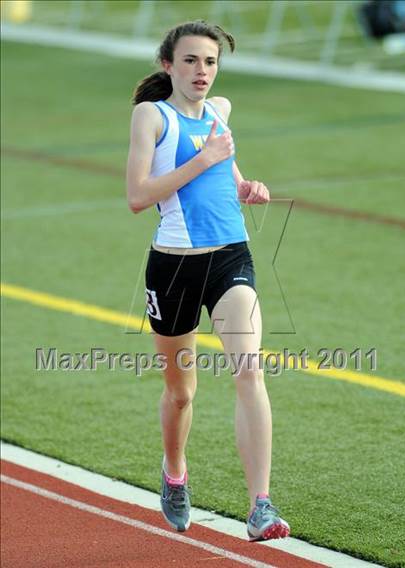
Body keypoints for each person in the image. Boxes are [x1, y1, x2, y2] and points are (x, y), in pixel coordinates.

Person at [126, 20, 290, 542]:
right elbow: (138, 195)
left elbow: (228, 171)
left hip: (229, 259)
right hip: (173, 266)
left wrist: (247, 185)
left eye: (211, 62)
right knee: (180, 394)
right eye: (192, 61)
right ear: (168, 65)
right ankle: (175, 473)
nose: (202, 71)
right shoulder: (151, 117)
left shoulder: (220, 113)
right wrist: (204, 160)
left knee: (249, 372)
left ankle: (260, 505)